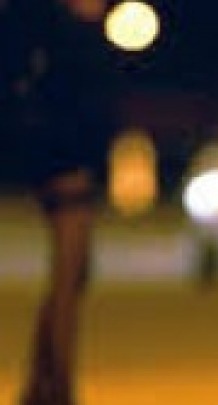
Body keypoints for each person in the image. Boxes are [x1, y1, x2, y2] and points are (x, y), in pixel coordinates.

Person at [0, 0, 117, 404]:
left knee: (74, 275)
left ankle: (42, 383)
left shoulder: (65, 29)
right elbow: (69, 101)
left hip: (68, 159)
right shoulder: (60, 31)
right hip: (64, 163)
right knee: (69, 277)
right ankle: (59, 385)